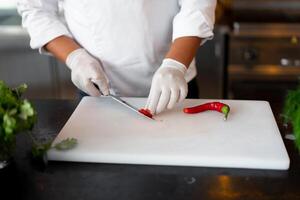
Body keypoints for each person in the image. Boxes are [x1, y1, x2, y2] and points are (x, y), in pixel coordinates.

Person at [17, 0, 216, 115]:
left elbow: (197, 5)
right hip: (98, 90)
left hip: (176, 84)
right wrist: (75, 58)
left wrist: (175, 65)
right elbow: (36, 10)